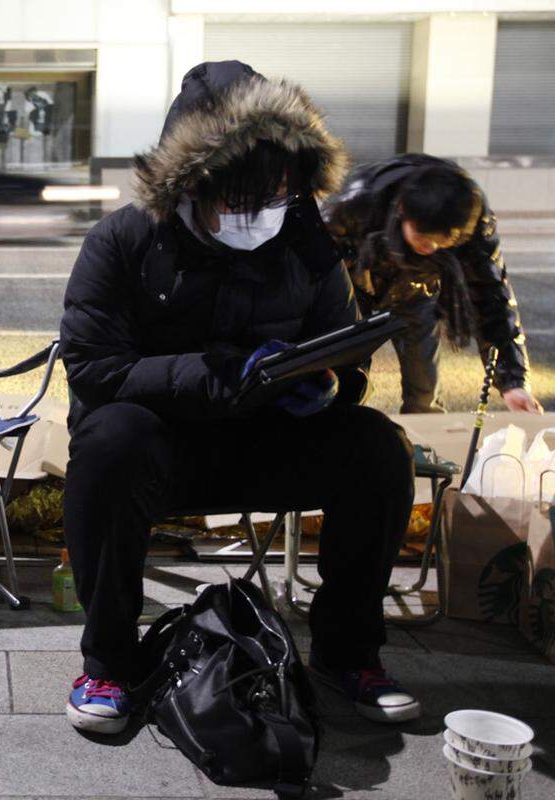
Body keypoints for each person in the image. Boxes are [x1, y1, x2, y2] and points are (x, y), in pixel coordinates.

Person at [59, 61, 420, 735]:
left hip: (266, 437)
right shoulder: (125, 240)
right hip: (160, 448)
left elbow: (345, 347)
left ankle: (349, 654)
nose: (264, 214)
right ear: (194, 182)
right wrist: (213, 371)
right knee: (110, 439)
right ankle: (108, 662)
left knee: (375, 447)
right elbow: (94, 368)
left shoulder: (305, 241)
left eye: (280, 194)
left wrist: (332, 385)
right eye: (245, 198)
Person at [324, 154, 540, 414]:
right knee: (344, 385)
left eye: (442, 243)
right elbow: (314, 270)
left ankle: (420, 449)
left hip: (417, 290)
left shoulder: (471, 219)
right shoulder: (355, 203)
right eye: (423, 238)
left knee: (424, 391)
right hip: (352, 286)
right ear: (403, 213)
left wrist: (512, 381)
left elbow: (492, 297)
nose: (431, 248)